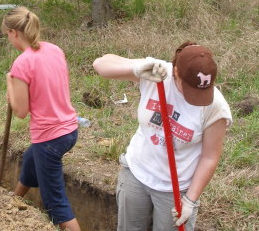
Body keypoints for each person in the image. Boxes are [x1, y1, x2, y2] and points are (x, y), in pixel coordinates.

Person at [93, 41, 232, 231]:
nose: (197, 98)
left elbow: (210, 156)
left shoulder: (215, 107)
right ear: (176, 73)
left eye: (202, 91)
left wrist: (190, 200)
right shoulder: (157, 73)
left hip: (176, 190)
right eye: (190, 89)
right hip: (136, 173)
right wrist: (136, 69)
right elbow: (101, 64)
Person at [3, 7, 81, 231]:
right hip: (69, 129)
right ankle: (14, 200)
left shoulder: (22, 63)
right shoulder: (54, 49)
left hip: (49, 138)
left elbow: (20, 111)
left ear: (14, 33)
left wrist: (10, 81)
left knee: (55, 205)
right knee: (30, 158)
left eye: (7, 35)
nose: (8, 39)